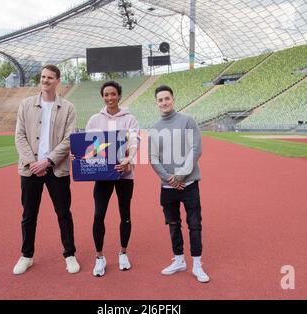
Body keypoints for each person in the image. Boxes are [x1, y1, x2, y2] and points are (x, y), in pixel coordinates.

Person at [13, 64, 80, 275]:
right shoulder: (26, 105)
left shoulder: (68, 107)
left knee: (63, 214)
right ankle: (26, 256)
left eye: (50, 77)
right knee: (29, 215)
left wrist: (48, 161)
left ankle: (69, 255)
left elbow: (70, 138)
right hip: (30, 169)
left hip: (56, 169)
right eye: (43, 77)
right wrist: (33, 162)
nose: (45, 80)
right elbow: (19, 136)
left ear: (58, 81)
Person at [148, 85, 209, 283]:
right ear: (156, 103)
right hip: (167, 187)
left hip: (189, 184)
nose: (164, 102)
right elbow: (153, 157)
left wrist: (181, 176)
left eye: (167, 98)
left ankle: (197, 264)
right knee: (173, 224)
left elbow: (196, 149)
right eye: (160, 100)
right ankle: (179, 260)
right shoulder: (155, 128)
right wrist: (169, 179)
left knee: (194, 225)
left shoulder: (187, 121)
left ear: (173, 99)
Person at [84, 80, 139, 277]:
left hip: (125, 174)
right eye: (106, 94)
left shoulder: (130, 119)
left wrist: (129, 157)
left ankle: (123, 253)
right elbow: (87, 147)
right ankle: (99, 257)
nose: (110, 98)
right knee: (99, 215)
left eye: (113, 94)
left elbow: (134, 140)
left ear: (119, 95)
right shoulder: (94, 119)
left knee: (125, 215)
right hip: (102, 175)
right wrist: (79, 155)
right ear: (103, 97)